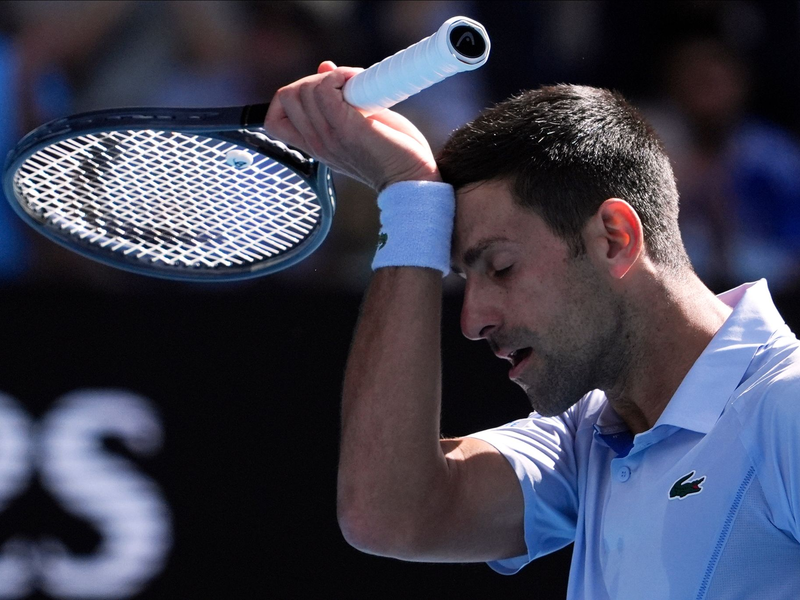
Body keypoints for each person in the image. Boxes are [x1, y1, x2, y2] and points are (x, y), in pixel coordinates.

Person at [263, 62, 800, 599]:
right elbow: (386, 513)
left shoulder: (786, 406)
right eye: (463, 279)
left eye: (500, 268)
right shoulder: (585, 438)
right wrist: (410, 201)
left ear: (614, 239)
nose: (472, 322)